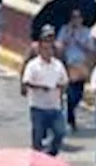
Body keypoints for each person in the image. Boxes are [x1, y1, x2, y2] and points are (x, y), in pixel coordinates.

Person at [22, 26, 67, 156]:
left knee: (60, 132)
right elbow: (27, 81)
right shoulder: (33, 65)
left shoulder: (58, 65)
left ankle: (50, 155)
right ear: (40, 49)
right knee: (38, 135)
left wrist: (60, 90)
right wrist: (40, 87)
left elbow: (64, 81)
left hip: (54, 106)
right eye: (45, 48)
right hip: (38, 106)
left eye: (50, 49)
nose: (48, 51)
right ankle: (36, 157)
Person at [57, 8, 94, 131]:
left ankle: (70, 111)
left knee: (78, 94)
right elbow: (59, 48)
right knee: (71, 92)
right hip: (68, 64)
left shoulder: (86, 32)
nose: (75, 20)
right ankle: (70, 117)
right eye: (73, 17)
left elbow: (90, 49)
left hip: (81, 64)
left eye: (78, 17)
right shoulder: (64, 30)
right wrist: (66, 41)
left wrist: (79, 42)